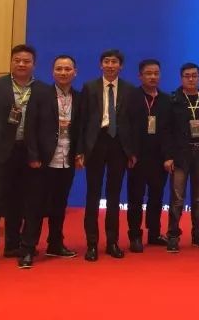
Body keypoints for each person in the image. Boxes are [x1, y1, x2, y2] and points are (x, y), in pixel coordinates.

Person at [0, 44, 46, 270]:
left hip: (27, 152)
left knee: (19, 200)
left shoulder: (42, 89)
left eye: (26, 61)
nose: (21, 64)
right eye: (17, 60)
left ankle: (13, 245)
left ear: (34, 64)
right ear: (11, 62)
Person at [20, 55, 81, 268]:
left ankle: (55, 244)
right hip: (43, 160)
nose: (63, 73)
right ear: (52, 72)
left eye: (67, 69)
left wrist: (80, 153)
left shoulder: (79, 97)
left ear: (75, 72)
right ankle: (27, 249)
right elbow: (30, 127)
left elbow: (81, 129)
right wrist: (33, 156)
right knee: (35, 206)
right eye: (59, 69)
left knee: (59, 205)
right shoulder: (40, 94)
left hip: (66, 159)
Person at [77, 49, 136, 261]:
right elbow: (82, 121)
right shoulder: (89, 87)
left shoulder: (129, 89)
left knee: (114, 196)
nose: (110, 65)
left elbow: (133, 123)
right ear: (100, 65)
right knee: (92, 195)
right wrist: (80, 150)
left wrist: (132, 151)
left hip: (118, 145)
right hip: (95, 143)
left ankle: (112, 242)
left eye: (114, 62)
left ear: (121, 66)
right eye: (107, 62)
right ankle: (92, 244)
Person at [165, 63, 199, 251]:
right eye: (187, 76)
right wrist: (169, 156)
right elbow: (167, 131)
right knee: (177, 197)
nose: (191, 79)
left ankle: (198, 234)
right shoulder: (173, 100)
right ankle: (173, 235)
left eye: (194, 75)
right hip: (180, 154)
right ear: (181, 78)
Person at [126, 59, 171, 252]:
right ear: (140, 76)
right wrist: (130, 153)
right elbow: (125, 128)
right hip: (137, 157)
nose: (153, 77)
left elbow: (170, 131)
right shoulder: (131, 97)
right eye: (148, 73)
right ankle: (135, 236)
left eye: (156, 73)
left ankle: (154, 233)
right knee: (135, 198)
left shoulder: (166, 100)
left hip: (159, 158)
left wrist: (168, 156)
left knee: (156, 197)